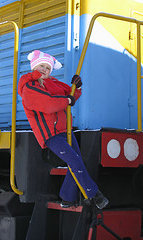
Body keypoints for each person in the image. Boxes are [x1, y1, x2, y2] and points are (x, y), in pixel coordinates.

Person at [18, 50, 109, 209]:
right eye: (42, 66)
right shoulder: (29, 87)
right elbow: (48, 104)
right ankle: (94, 195)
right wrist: (68, 99)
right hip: (51, 135)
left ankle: (67, 197)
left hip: (64, 129)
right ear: (34, 67)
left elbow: (70, 95)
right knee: (74, 161)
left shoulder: (53, 83)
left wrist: (77, 87)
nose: (44, 70)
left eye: (48, 67)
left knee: (77, 161)